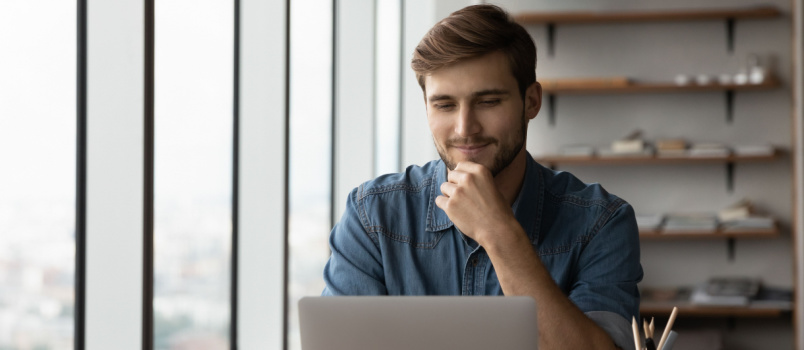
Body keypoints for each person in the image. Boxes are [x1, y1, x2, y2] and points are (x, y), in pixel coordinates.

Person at [322, 4, 642, 350]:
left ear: (530, 102)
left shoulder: (602, 222)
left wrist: (499, 234)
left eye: (488, 101)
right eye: (444, 105)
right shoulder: (373, 217)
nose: (465, 129)